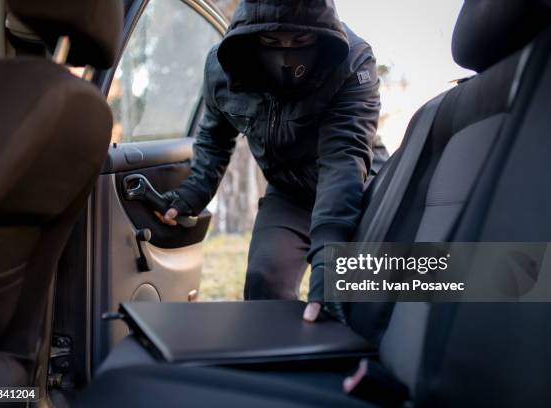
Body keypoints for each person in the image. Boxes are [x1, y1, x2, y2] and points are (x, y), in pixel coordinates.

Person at [157, 0, 388, 322]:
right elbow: (214, 136)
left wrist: (330, 253)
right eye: (272, 42)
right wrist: (194, 192)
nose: (286, 54)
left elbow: (344, 156)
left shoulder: (353, 59)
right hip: (290, 191)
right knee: (264, 282)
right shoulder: (222, 67)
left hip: (360, 187)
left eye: (300, 41)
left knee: (354, 294)